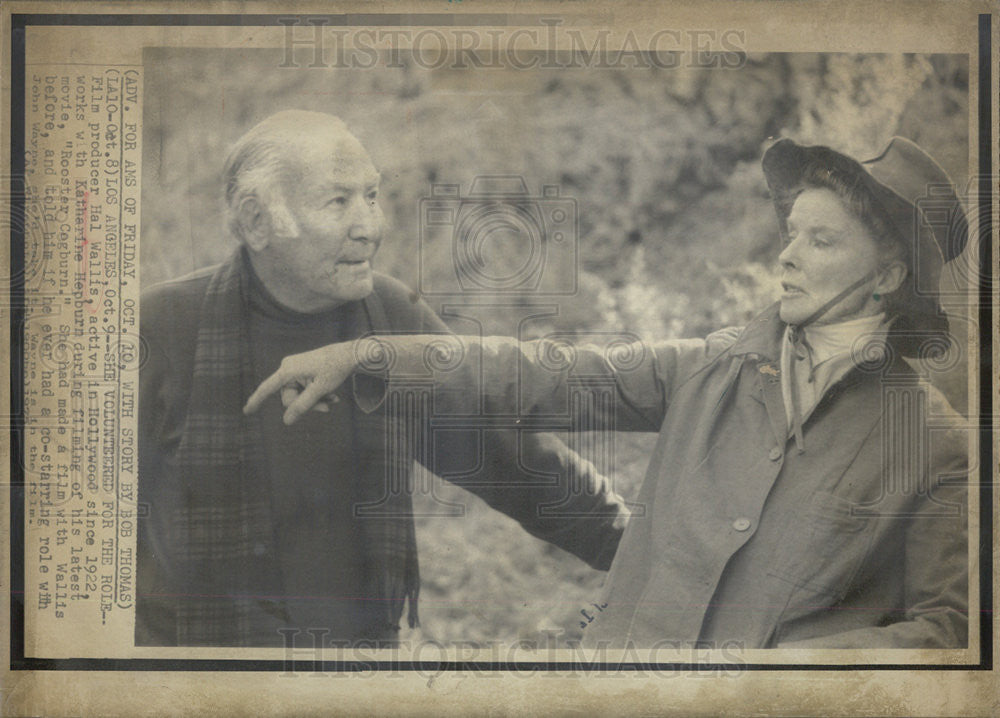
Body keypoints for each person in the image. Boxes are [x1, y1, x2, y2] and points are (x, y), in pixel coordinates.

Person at [246, 136, 970, 649]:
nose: (786, 254)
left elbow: (949, 628)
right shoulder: (713, 367)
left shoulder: (935, 444)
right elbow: (534, 373)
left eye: (822, 241)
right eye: (791, 232)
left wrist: (805, 661)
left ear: (888, 277)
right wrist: (370, 354)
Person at [136, 110, 627, 647]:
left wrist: (648, 554)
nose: (369, 226)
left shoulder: (392, 319)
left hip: (356, 668)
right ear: (256, 222)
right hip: (195, 670)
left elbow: (522, 467)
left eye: (371, 195)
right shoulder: (160, 328)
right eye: (337, 201)